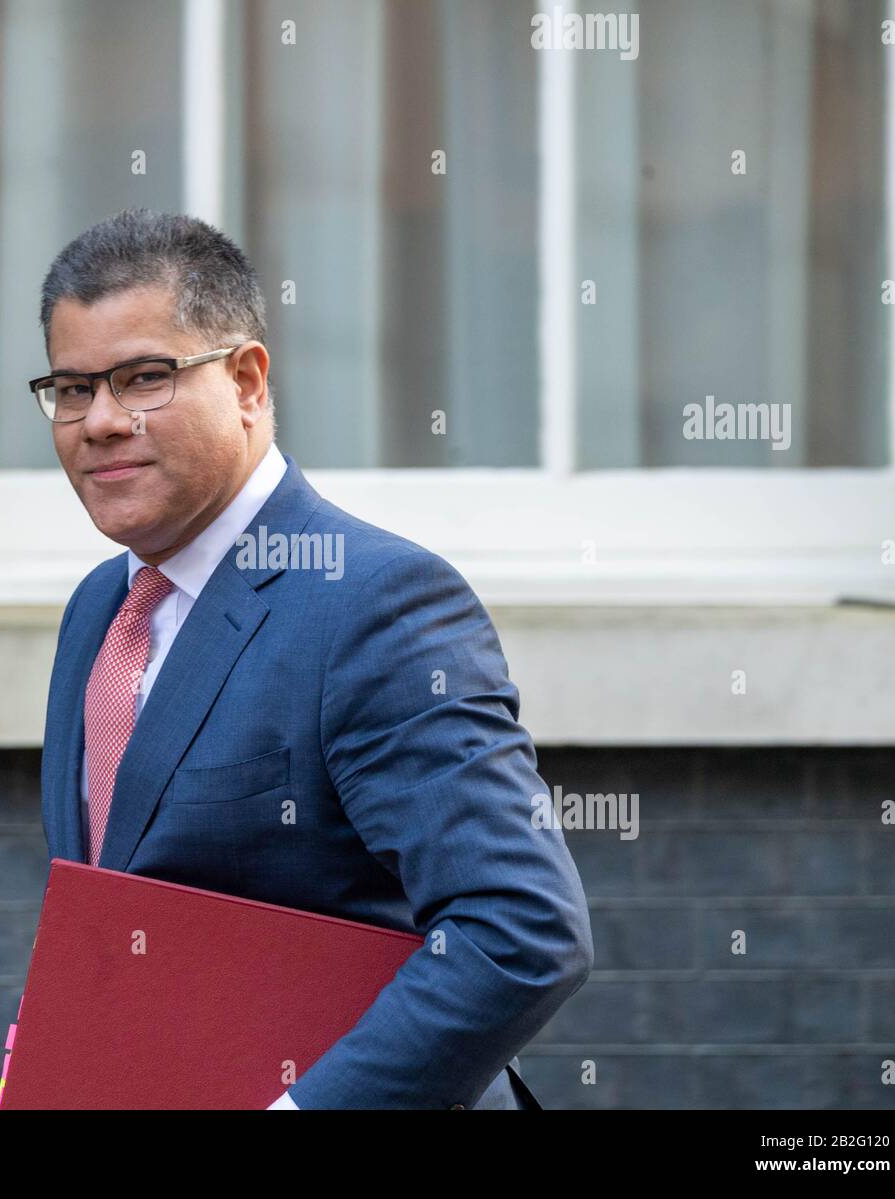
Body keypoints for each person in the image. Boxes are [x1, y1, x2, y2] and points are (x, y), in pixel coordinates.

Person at [33, 208, 593, 1109]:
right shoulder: (100, 609)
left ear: (248, 381)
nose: (99, 421)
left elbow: (521, 929)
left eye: (143, 378)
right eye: (70, 387)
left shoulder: (375, 600)